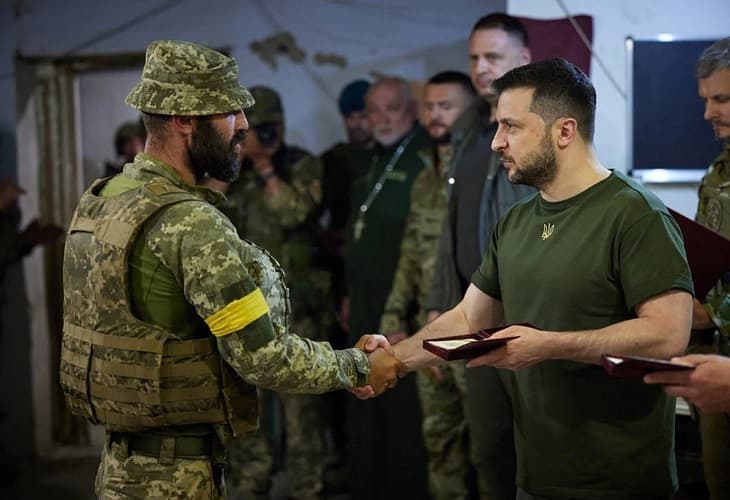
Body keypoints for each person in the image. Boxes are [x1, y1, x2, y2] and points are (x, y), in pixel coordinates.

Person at [58, 40, 400, 499]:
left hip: (121, 470)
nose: (243, 127)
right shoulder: (189, 221)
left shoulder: (103, 198)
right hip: (177, 479)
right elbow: (262, 356)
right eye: (230, 113)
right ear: (184, 120)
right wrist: (358, 366)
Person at [362, 58, 694, 499]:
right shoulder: (516, 220)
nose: (497, 142)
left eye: (512, 127)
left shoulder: (635, 214)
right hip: (535, 477)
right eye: (498, 126)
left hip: (620, 481)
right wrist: (395, 360)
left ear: (564, 131)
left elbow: (669, 334)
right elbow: (469, 316)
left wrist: (548, 345)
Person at [425, 13, 533, 500]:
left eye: (493, 56)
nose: (481, 67)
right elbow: (452, 230)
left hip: (525, 316)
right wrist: (439, 304)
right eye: (474, 57)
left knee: (532, 450)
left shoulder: (536, 133)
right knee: (488, 449)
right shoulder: (468, 133)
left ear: (523, 59)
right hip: (472, 315)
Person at [212, 85, 334, 499]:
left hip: (299, 307)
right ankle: (251, 485)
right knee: (250, 409)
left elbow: (296, 212)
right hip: (246, 312)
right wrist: (235, 167)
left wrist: (267, 170)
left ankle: (308, 487)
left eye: (270, 128)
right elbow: (208, 220)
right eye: (254, 130)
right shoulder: (232, 173)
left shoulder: (302, 165)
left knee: (303, 411)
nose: (264, 137)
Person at [378, 70, 477, 500]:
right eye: (430, 106)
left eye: (446, 106)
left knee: (489, 448)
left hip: (472, 329)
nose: (436, 115)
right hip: (426, 328)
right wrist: (395, 317)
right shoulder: (423, 178)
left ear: (468, 112)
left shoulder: (482, 174)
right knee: (440, 442)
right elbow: (410, 254)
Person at [644, 37, 730, 500]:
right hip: (717, 356)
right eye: (705, 100)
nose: (708, 113)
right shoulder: (717, 174)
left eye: (722, 99)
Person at [344, 76, 430, 500]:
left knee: (399, 404)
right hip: (363, 298)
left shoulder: (421, 160)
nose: (380, 120)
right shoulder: (372, 159)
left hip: (401, 309)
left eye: (390, 109)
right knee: (363, 393)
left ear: (410, 112)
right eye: (373, 111)